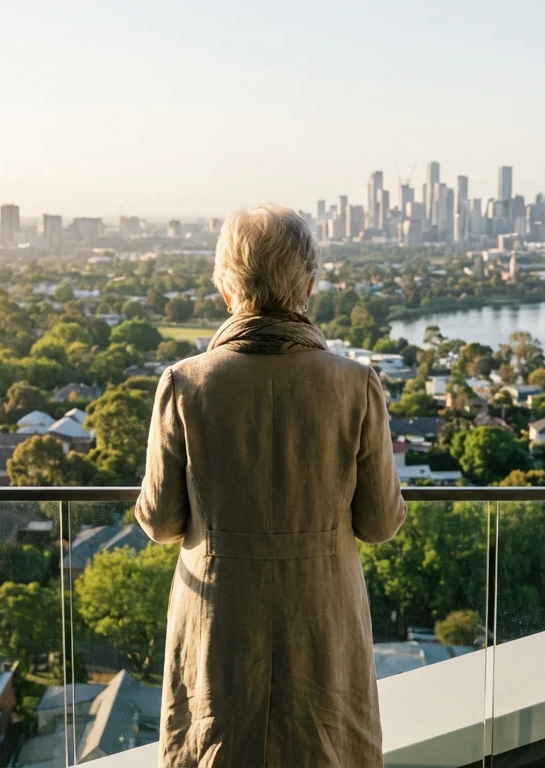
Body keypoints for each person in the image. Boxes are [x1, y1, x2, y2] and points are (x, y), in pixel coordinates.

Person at [136, 204, 407, 767]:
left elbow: (161, 524)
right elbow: (380, 524)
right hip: (321, 622)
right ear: (308, 287)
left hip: (219, 623)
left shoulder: (185, 384)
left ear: (226, 291)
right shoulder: (356, 384)